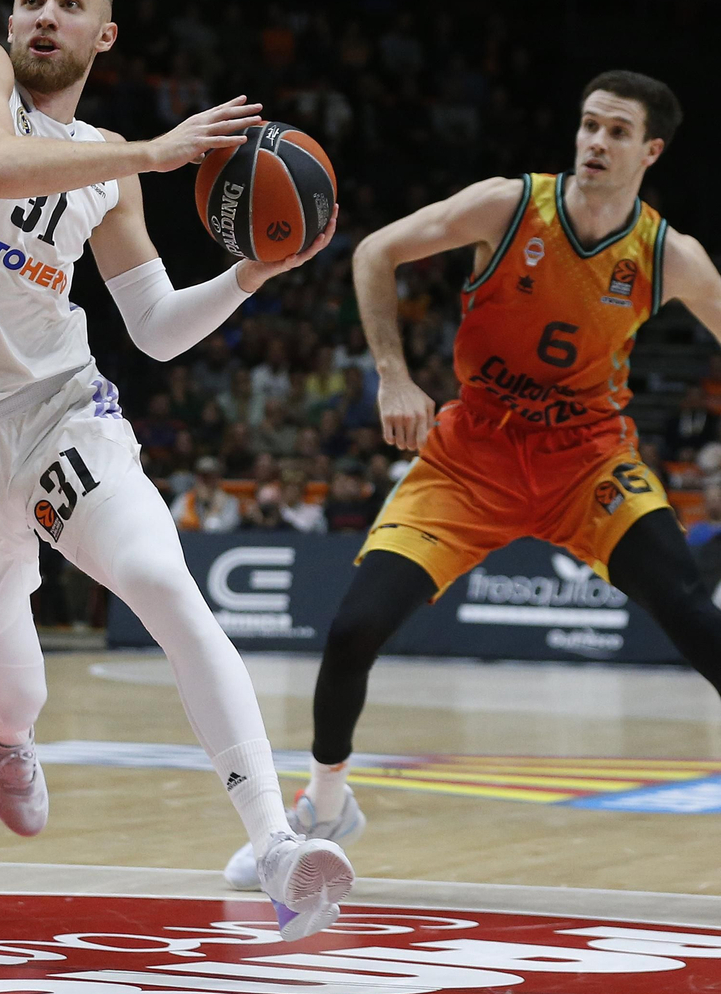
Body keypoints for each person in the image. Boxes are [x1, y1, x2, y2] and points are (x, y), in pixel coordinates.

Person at [0, 0, 348, 940]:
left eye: (68, 2)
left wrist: (252, 273)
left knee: (163, 581)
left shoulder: (106, 173)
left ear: (101, 33)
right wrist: (155, 152)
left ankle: (272, 842)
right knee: (17, 684)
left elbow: (157, 323)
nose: (43, 13)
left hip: (57, 408)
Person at [221, 69, 721, 891]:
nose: (595, 141)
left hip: (587, 460)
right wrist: (393, 374)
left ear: (651, 149)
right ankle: (325, 802)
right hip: (470, 459)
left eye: (617, 131)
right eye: (589, 125)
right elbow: (376, 251)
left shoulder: (668, 255)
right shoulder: (510, 204)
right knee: (352, 631)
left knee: (695, 613)